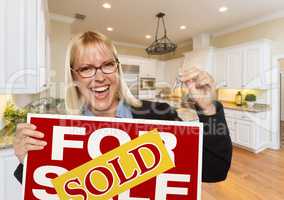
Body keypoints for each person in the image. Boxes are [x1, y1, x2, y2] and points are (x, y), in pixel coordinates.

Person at [13, 31, 232, 183]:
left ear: (117, 69)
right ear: (74, 77)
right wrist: (27, 161)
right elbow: (44, 188)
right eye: (86, 68)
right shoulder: (60, 131)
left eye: (107, 65)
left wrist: (208, 108)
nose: (100, 77)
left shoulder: (161, 115)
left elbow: (215, 170)